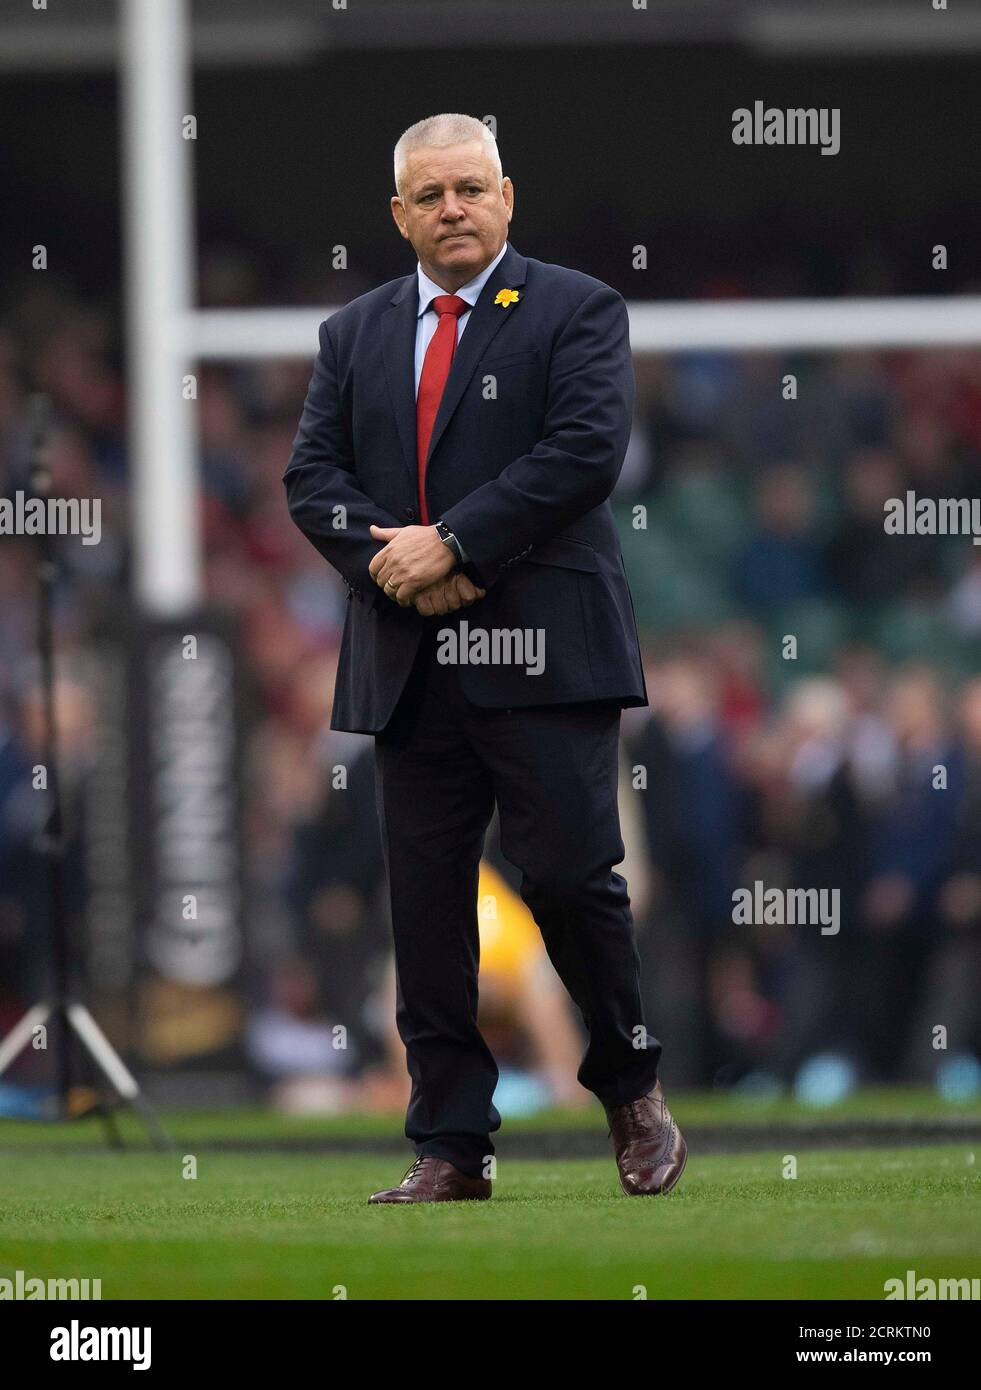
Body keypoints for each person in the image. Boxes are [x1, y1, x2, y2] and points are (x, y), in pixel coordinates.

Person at [283, 112, 686, 1203]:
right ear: (400, 214)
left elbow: (584, 452)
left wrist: (454, 542)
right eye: (431, 193)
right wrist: (399, 565)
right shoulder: (352, 334)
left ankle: (629, 1085)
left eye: (471, 187)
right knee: (424, 909)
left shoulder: (577, 308)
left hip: (546, 652)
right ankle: (452, 1145)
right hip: (410, 660)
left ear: (507, 195)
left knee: (570, 881)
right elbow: (311, 477)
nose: (452, 208)